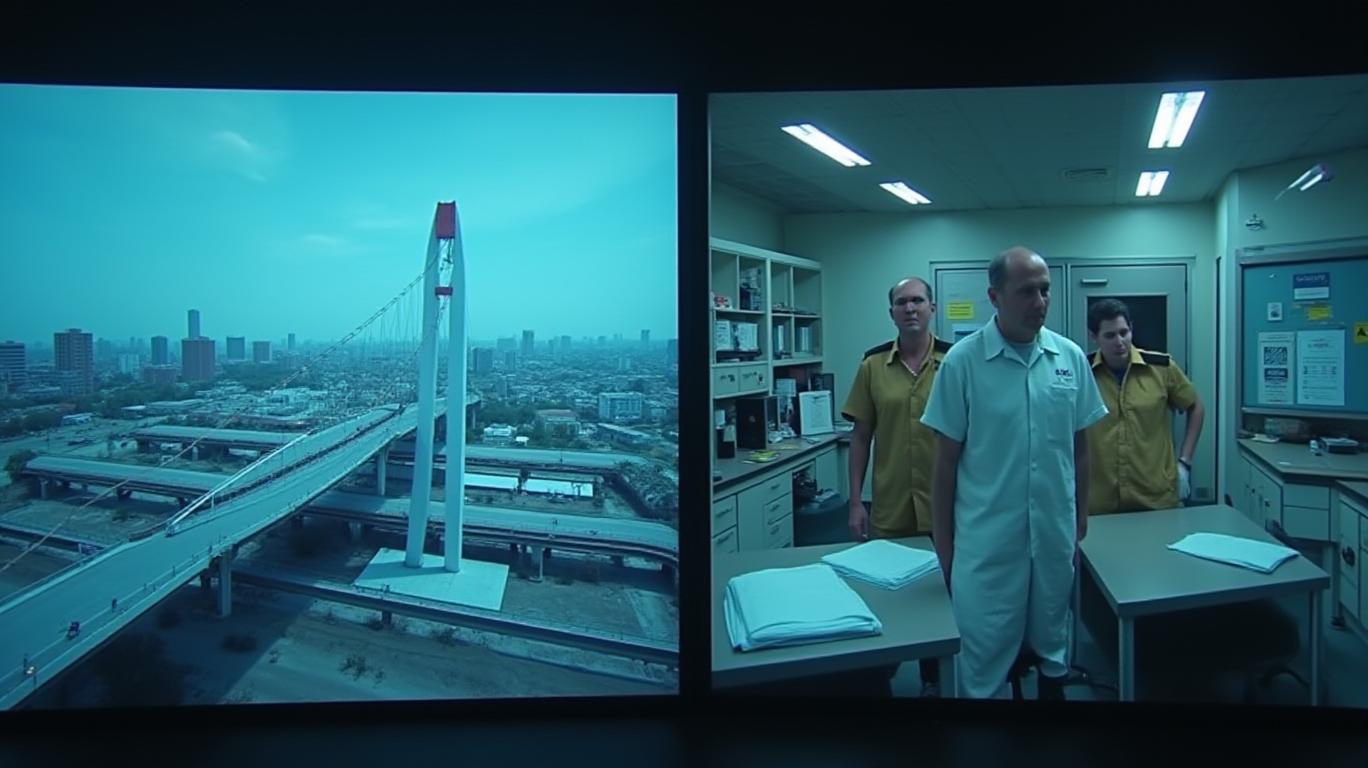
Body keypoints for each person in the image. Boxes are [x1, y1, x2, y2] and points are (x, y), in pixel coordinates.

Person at [920, 246, 1108, 700]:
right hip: (986, 544)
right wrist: (943, 544)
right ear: (995, 296)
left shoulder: (1069, 359)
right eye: (1026, 292)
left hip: (1053, 536)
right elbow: (944, 465)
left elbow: (1080, 449)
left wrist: (1080, 517)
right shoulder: (963, 362)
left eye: (1044, 290)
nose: (1040, 302)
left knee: (1053, 640)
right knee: (981, 660)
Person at [842, 276, 950, 696]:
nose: (910, 308)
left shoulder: (955, 362)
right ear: (891, 313)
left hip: (945, 508)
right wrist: (856, 502)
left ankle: (933, 680)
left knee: (939, 597)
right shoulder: (872, 367)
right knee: (886, 594)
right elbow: (860, 438)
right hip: (890, 506)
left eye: (918, 300)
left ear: (932, 308)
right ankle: (881, 679)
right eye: (902, 302)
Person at [1084, 298, 1205, 514]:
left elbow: (1195, 406)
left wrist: (1184, 463)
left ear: (1131, 329)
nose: (1119, 341)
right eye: (1110, 335)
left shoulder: (1161, 368)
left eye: (1124, 332)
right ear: (1094, 337)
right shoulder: (1083, 372)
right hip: (1099, 500)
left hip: (1155, 494)